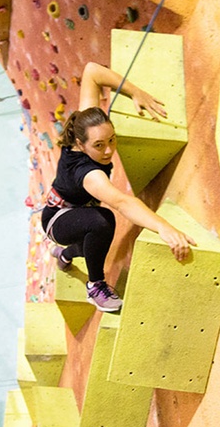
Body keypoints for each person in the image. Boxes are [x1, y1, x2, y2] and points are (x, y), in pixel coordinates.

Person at [42, 62, 196, 312]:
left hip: (72, 208)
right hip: (57, 220)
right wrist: (164, 227)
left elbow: (92, 71)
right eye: (99, 145)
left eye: (111, 140)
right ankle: (95, 286)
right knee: (101, 222)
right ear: (81, 145)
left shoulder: (86, 124)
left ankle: (64, 255)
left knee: (89, 240)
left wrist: (135, 92)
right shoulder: (88, 174)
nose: (109, 150)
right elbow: (123, 203)